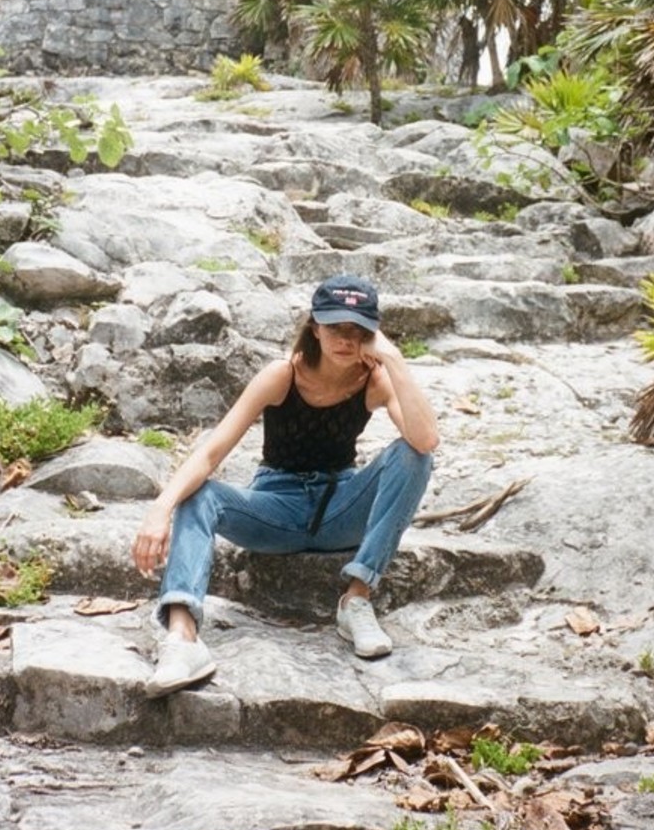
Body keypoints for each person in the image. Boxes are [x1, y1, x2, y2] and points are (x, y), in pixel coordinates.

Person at [131, 273, 439, 696]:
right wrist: (160, 508)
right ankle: (182, 638)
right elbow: (211, 453)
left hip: (339, 509)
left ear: (373, 333)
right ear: (315, 327)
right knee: (199, 494)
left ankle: (356, 598)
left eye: (357, 330)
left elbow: (425, 441)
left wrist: (395, 361)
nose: (345, 339)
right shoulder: (282, 374)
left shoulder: (374, 380)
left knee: (413, 454)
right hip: (275, 511)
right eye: (334, 326)